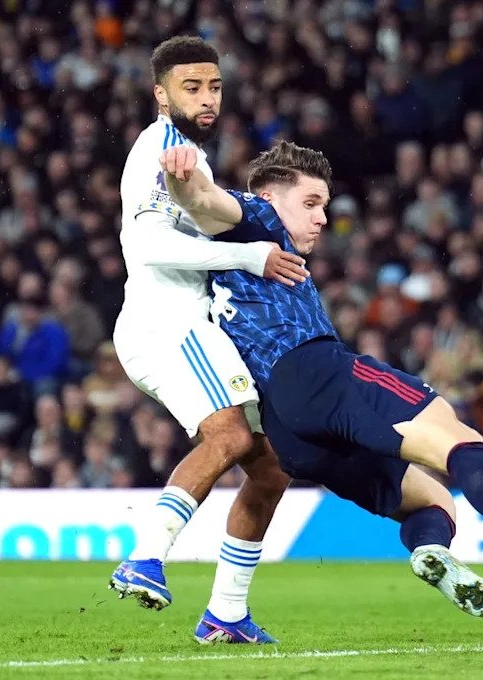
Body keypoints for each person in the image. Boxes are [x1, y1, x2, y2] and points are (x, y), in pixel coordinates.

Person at [159, 140, 483, 611]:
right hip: (315, 370)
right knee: (459, 441)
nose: (322, 217)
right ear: (268, 197)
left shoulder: (236, 255)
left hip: (288, 431)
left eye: (324, 205)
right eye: (310, 202)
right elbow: (204, 197)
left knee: (433, 501)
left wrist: (189, 190)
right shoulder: (256, 213)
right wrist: (181, 172)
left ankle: (430, 551)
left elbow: (203, 208)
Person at [110, 36, 310, 644]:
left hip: (186, 324)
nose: (206, 98)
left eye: (214, 86)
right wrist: (251, 254)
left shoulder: (189, 156)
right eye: (191, 87)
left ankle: (226, 613)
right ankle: (144, 558)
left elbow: (208, 222)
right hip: (166, 323)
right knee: (227, 436)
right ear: (161, 95)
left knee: (271, 470)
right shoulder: (161, 145)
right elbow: (145, 246)